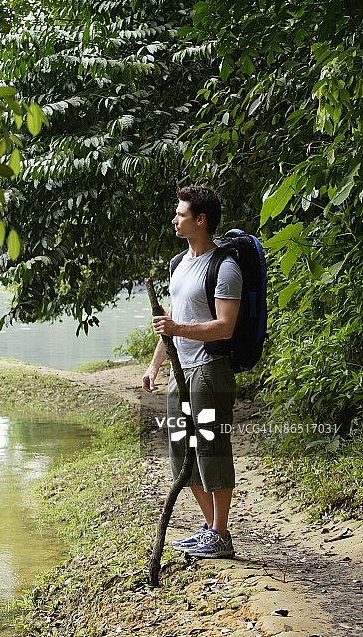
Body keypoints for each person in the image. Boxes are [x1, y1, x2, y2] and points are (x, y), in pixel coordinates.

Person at [142, 186, 242, 559]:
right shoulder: (178, 263)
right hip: (181, 372)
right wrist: (155, 364)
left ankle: (219, 532)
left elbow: (225, 327)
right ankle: (211, 530)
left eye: (181, 214)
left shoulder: (224, 267)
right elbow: (169, 321)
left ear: (201, 220)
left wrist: (177, 330)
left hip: (209, 370)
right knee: (181, 450)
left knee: (211, 450)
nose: (175, 219)